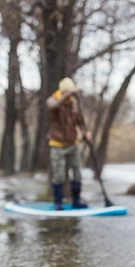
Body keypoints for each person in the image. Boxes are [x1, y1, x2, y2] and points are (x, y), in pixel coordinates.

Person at [46, 77, 92, 210]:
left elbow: (80, 120)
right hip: (57, 143)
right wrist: (68, 93)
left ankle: (76, 201)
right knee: (59, 175)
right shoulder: (52, 100)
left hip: (72, 143)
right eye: (68, 92)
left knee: (77, 173)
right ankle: (58, 202)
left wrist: (85, 131)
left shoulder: (74, 103)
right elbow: (53, 106)